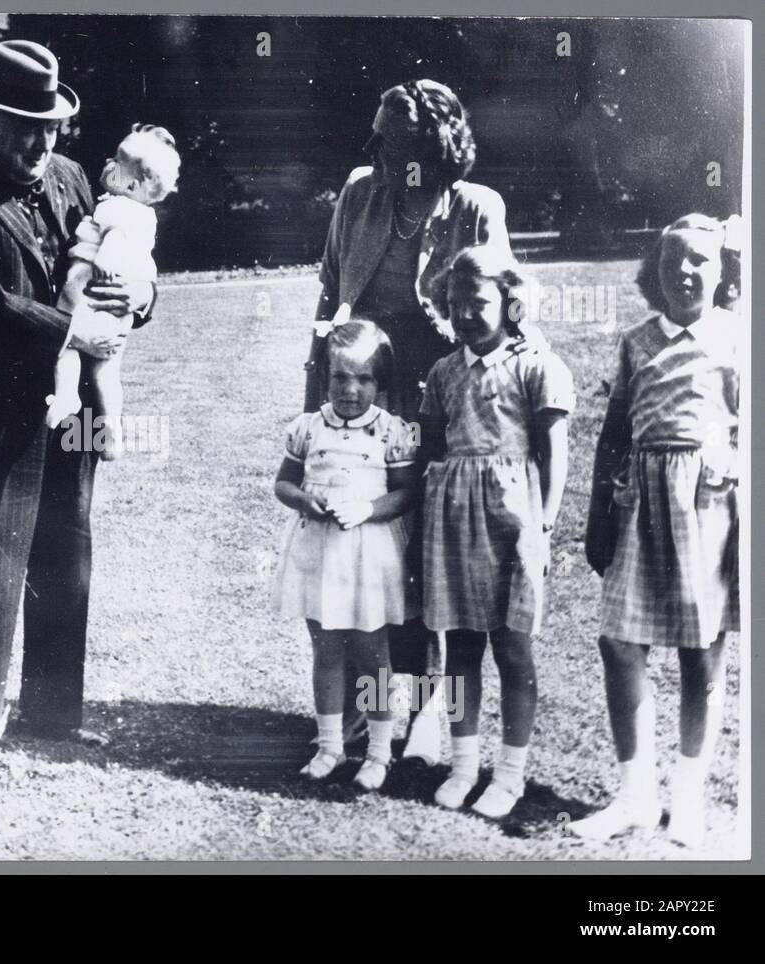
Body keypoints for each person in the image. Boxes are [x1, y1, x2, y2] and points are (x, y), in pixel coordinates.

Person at [0, 40, 154, 785]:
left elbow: (122, 263)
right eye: (21, 127)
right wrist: (70, 328)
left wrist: (138, 301)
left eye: (48, 128)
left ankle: (54, 714)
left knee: (65, 557)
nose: (37, 144)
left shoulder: (76, 180)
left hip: (72, 407)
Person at [305, 80, 514, 762]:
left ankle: (431, 718)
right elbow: (332, 296)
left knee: (436, 560)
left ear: (433, 145)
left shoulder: (476, 208)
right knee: (375, 558)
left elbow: (505, 313)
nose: (375, 151)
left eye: (391, 141)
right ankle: (376, 715)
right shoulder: (362, 192)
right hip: (371, 403)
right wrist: (321, 409)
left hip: (450, 405)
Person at [571, 214, 741, 848]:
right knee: (619, 642)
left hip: (711, 506)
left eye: (700, 260)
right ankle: (635, 794)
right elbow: (614, 434)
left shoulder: (737, 338)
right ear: (655, 274)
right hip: (641, 503)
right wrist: (597, 516)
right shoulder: (637, 341)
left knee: (704, 651)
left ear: (722, 272)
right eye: (673, 262)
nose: (686, 272)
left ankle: (689, 796)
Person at [418, 245, 573, 819]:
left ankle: (508, 774)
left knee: (512, 647)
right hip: (454, 518)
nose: (464, 315)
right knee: (459, 644)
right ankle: (463, 766)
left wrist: (545, 525)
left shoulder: (537, 365)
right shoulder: (443, 371)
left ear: (510, 303)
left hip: (514, 521)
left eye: (478, 303)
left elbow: (556, 451)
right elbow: (431, 446)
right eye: (454, 304)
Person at [271, 321, 422, 790]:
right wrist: (303, 500)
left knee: (372, 653)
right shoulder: (308, 427)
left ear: (381, 382)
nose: (351, 390)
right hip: (318, 552)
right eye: (340, 378)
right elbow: (283, 483)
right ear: (325, 378)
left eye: (364, 379)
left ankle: (379, 751)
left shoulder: (392, 432)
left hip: (367, 555)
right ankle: (330, 744)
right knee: (326, 650)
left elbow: (405, 494)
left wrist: (367, 509)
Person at [46, 123, 180, 460]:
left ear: (132, 183)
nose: (108, 162)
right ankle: (111, 432)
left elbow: (115, 237)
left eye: (117, 162)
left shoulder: (118, 208)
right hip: (116, 311)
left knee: (68, 346)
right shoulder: (144, 213)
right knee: (108, 371)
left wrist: (105, 257)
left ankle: (66, 395)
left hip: (91, 294)